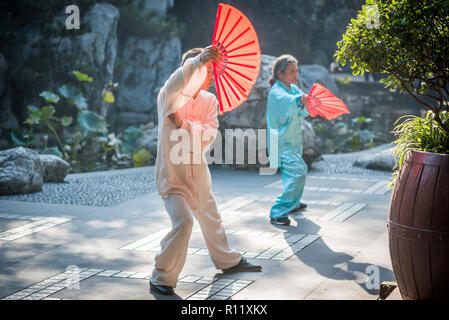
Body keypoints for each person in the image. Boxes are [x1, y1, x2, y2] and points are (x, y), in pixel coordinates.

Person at [150, 45, 261, 296]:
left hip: (199, 175)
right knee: (184, 222)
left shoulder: (210, 100)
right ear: (190, 73)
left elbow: (209, 135)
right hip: (173, 178)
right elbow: (176, 83)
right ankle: (161, 275)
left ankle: (228, 261)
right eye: (204, 70)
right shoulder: (168, 96)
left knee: (212, 219)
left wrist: (184, 125)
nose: (210, 75)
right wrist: (198, 60)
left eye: (209, 70)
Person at [266, 54, 310, 226]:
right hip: (281, 143)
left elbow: (300, 106)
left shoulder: (292, 89)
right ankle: (277, 212)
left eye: (296, 71)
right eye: (292, 71)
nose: (295, 75)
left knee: (295, 172)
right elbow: (288, 102)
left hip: (290, 141)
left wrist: (305, 100)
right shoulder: (276, 92)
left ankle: (293, 203)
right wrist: (299, 100)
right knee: (297, 172)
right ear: (280, 74)